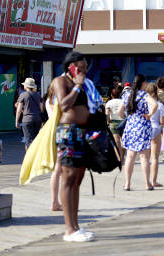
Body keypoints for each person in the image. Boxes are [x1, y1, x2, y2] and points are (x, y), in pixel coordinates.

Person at [52, 51, 95, 242]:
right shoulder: (61, 82)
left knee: (78, 179)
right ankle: (69, 229)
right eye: (81, 67)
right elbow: (64, 105)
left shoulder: (85, 84)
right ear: (71, 67)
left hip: (83, 132)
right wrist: (77, 86)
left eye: (86, 67)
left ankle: (75, 226)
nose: (84, 70)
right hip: (68, 132)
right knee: (68, 178)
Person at [118, 74, 153, 191]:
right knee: (144, 157)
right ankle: (147, 184)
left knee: (130, 157)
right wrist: (149, 115)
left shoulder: (127, 94)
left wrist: (128, 117)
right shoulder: (144, 95)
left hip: (131, 126)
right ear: (143, 83)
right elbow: (155, 104)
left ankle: (127, 184)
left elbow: (120, 112)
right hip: (143, 127)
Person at [44, 83, 62, 212]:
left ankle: (54, 201)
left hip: (50, 133)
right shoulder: (59, 102)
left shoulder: (47, 101)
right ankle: (58, 202)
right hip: (62, 133)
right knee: (64, 169)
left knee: (57, 170)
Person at [146, 83, 164, 187]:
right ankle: (154, 181)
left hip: (145, 129)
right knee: (155, 157)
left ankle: (147, 181)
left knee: (145, 157)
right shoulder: (159, 105)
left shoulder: (143, 103)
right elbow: (162, 121)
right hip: (156, 129)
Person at [15, 77, 43, 150]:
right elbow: (42, 108)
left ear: (26, 86)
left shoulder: (23, 95)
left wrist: (17, 121)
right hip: (37, 119)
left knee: (28, 140)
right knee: (36, 139)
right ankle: (36, 156)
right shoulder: (38, 95)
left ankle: (30, 158)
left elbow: (18, 109)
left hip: (27, 120)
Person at [105, 85, 125, 161]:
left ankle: (119, 159)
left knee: (117, 143)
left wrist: (108, 122)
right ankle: (123, 157)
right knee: (123, 141)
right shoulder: (123, 101)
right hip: (123, 122)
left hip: (113, 123)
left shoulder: (109, 103)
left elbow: (107, 115)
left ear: (111, 95)